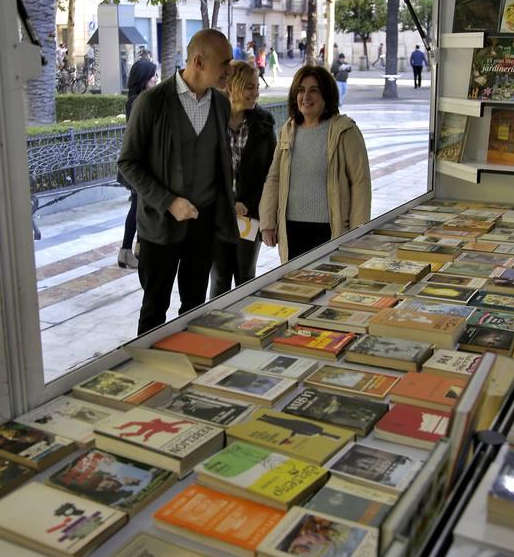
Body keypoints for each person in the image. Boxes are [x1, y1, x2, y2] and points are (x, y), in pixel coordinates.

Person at [117, 29, 238, 335]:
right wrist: (168, 201)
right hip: (159, 226)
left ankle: (192, 367)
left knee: (195, 307)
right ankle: (149, 375)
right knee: (154, 308)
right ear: (198, 61)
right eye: (224, 63)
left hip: (204, 224)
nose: (229, 70)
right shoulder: (152, 102)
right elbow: (127, 164)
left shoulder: (222, 105)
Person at [259, 64, 371, 262]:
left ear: (326, 95)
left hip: (330, 229)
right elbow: (274, 178)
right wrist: (267, 221)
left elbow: (360, 183)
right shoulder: (288, 130)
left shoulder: (344, 131)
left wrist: (357, 233)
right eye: (300, 90)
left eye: (314, 90)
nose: (306, 97)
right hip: (292, 229)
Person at [209, 60, 276, 298]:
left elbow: (271, 173)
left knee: (246, 277)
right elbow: (205, 171)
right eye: (249, 87)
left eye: (257, 86)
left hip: (250, 215)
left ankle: (244, 330)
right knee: (219, 281)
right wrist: (227, 202)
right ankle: (216, 332)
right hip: (217, 214)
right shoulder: (211, 121)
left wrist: (249, 203)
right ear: (232, 86)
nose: (255, 92)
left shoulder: (263, 124)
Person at [116, 58, 157, 269]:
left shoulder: (135, 99)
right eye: (152, 77)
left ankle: (133, 250)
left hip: (138, 163)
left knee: (139, 206)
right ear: (143, 80)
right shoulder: (137, 101)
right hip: (138, 165)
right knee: (137, 208)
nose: (156, 80)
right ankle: (128, 250)